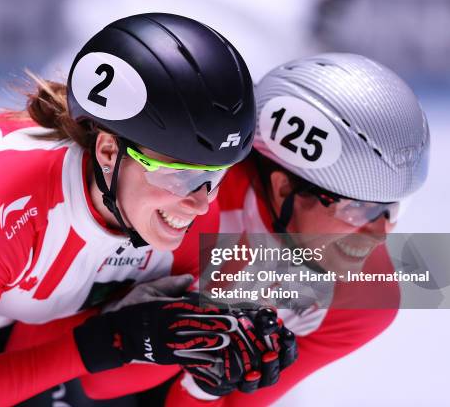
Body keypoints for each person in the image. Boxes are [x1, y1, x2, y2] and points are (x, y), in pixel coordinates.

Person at [0, 12, 292, 406]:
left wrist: (221, 358)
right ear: (110, 153)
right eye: (179, 174)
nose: (200, 203)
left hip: (2, 319)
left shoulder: (188, 210)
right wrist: (111, 339)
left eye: (215, 177)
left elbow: (114, 376)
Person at [162, 52, 430, 405]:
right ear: (284, 188)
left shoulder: (367, 299)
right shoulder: (189, 201)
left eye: (392, 209)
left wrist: (207, 379)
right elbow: (96, 384)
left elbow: (238, 402)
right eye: (358, 209)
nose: (379, 234)